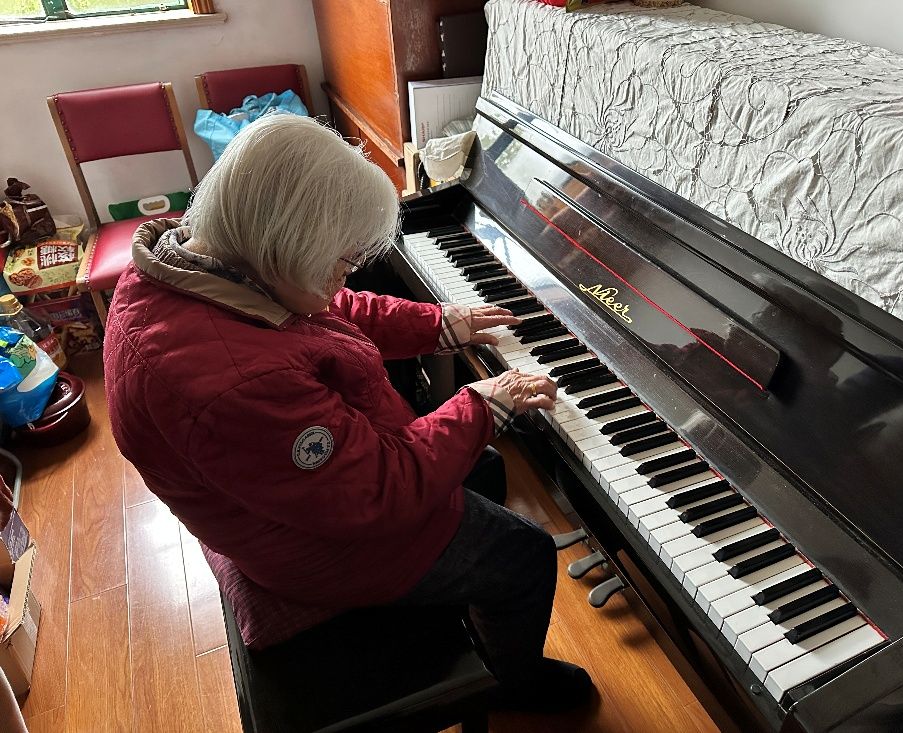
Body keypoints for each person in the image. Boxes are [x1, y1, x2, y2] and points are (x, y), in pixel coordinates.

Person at [103, 114, 593, 712]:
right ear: (284, 246)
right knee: (525, 553)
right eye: (339, 259)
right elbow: (376, 490)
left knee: (483, 466)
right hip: (315, 543)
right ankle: (519, 685)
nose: (348, 272)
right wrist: (484, 403)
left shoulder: (201, 264)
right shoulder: (234, 383)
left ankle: (469, 612)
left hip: (297, 491)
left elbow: (327, 310)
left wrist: (439, 324)